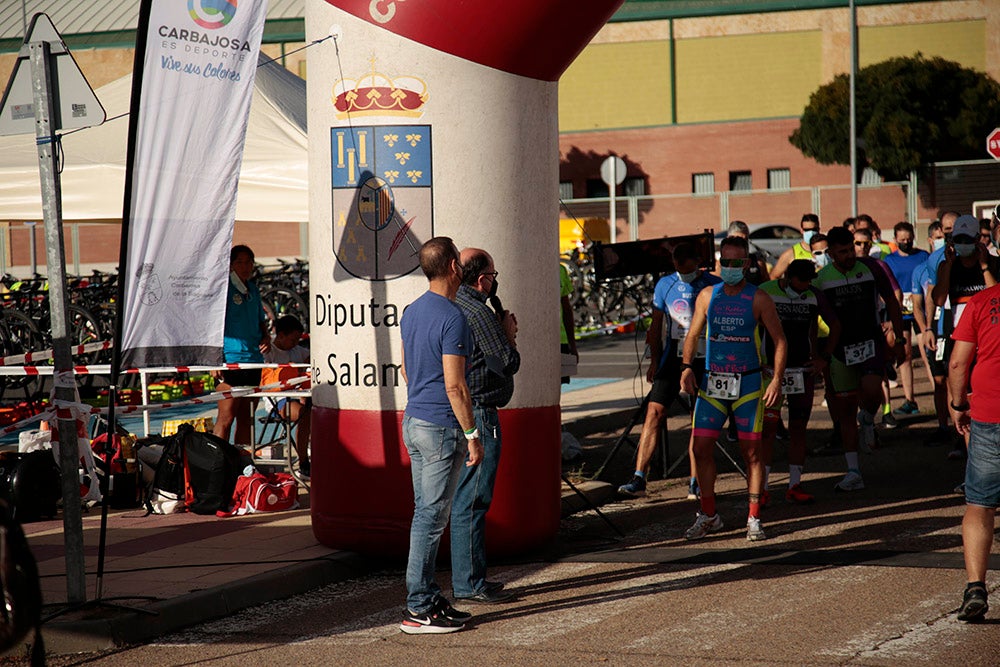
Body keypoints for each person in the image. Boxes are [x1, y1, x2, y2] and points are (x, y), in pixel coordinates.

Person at [399, 237, 483, 634]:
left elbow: (405, 370)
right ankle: (418, 607)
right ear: (454, 267)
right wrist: (472, 433)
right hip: (441, 427)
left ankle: (428, 598)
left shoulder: (412, 312)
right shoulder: (454, 317)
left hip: (415, 421)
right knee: (431, 519)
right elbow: (456, 386)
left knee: (425, 514)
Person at [680, 236, 787, 541]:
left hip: (749, 384)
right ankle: (709, 514)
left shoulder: (758, 298)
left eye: (736, 263)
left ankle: (753, 517)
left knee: (751, 452)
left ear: (747, 264)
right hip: (714, 382)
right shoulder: (707, 295)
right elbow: (693, 334)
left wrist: (777, 379)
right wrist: (687, 367)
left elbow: (780, 340)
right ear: (718, 263)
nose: (729, 268)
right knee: (699, 448)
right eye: (724, 262)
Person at [617, 243, 721, 500]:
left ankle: (695, 481)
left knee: (698, 418)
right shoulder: (665, 284)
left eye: (687, 267)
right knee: (654, 412)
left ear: (697, 263)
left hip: (703, 356)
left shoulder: (713, 284)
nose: (682, 271)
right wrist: (654, 361)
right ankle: (639, 477)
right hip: (673, 356)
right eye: (677, 265)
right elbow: (656, 325)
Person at [450, 248, 520, 604]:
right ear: (482, 280)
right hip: (480, 412)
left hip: (464, 410)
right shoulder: (478, 312)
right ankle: (469, 583)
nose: (495, 282)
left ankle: (471, 579)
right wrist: (508, 333)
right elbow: (507, 362)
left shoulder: (455, 304)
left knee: (467, 498)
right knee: (473, 500)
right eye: (493, 275)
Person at [812, 227, 905, 491]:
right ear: (830, 254)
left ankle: (868, 418)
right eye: (842, 252)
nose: (849, 255)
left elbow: (892, 301)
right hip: (839, 350)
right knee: (844, 412)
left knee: (873, 388)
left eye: (851, 249)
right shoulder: (821, 279)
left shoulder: (872, 268)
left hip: (870, 342)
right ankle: (853, 471)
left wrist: (898, 339)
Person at [758, 259, 839, 505]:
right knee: (768, 429)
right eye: (800, 283)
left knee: (798, 428)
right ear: (788, 278)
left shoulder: (813, 295)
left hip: (801, 371)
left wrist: (824, 358)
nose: (805, 288)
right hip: (771, 372)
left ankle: (794, 485)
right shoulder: (766, 291)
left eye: (808, 283)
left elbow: (835, 324)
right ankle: (762, 488)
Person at [947, 280, 1000, 622]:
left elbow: (957, 363)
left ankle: (975, 587)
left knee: (980, 503)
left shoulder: (981, 302)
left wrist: (956, 402)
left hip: (989, 414)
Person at [931, 215, 996, 461]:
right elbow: (938, 299)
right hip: (960, 338)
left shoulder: (992, 263)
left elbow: (995, 296)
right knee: (960, 389)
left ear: (978, 240)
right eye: (957, 240)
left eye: (966, 240)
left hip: (989, 338)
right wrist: (947, 266)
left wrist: (984, 266)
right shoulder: (947, 266)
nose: (962, 244)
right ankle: (969, 454)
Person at [213, 245, 271, 446]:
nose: (245, 266)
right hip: (230, 360)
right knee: (226, 417)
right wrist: (213, 361)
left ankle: (242, 465)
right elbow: (213, 324)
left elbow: (260, 320)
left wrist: (266, 337)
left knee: (246, 419)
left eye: (249, 262)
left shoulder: (253, 289)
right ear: (230, 264)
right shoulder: (224, 289)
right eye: (240, 262)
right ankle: (217, 464)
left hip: (253, 361)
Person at [884, 221, 929, 417]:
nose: (906, 243)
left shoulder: (922, 256)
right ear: (895, 240)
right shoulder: (889, 260)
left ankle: (939, 392)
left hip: (920, 310)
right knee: (904, 355)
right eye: (901, 240)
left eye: (909, 239)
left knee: (928, 353)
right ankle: (909, 399)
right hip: (900, 312)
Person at [261, 315, 311, 479]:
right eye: (293, 339)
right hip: (277, 401)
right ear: (280, 335)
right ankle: (303, 463)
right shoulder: (268, 353)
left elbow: (312, 358)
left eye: (298, 339)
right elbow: (266, 384)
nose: (296, 342)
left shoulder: (299, 351)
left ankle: (311, 450)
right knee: (305, 413)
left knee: (314, 408)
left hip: (299, 397)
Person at [769, 213, 821, 279]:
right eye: (807, 230)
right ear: (802, 231)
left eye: (814, 230)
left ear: (819, 229)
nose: (811, 232)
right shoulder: (791, 253)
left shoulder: (827, 251)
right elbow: (774, 276)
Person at [722, 221, 768, 285]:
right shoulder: (721, 265)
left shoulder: (758, 263)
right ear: (729, 239)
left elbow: (767, 287)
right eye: (739, 240)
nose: (743, 243)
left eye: (745, 240)